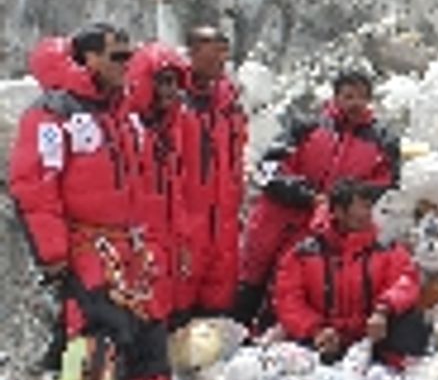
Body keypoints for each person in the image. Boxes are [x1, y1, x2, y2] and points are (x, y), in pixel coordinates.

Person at [9, 24, 170, 380]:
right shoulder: (53, 114)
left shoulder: (124, 113)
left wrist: (154, 242)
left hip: (131, 246)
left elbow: (145, 187)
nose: (127, 64)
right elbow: (35, 186)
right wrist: (53, 254)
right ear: (89, 59)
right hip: (87, 245)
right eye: (118, 56)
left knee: (148, 330)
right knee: (99, 331)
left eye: (129, 55)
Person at [237, 69, 400, 325]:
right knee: (250, 279)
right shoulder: (307, 126)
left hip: (326, 226)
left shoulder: (382, 140)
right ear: (335, 98)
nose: (355, 103)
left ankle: (270, 342)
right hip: (277, 215)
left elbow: (385, 186)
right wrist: (306, 194)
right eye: (348, 96)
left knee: (291, 287)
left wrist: (342, 203)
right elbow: (268, 169)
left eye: (361, 97)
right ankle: (233, 333)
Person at [274, 180, 428, 366]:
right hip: (322, 339)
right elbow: (288, 300)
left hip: (372, 335)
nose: (368, 213)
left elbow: (407, 281)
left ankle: (399, 368)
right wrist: (315, 329)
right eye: (362, 206)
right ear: (339, 211)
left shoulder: (386, 247)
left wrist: (383, 310)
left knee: (412, 321)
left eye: (370, 206)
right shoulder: (303, 254)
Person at [126, 42, 196, 327]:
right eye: (163, 82)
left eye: (175, 83)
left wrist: (183, 240)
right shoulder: (128, 127)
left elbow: (177, 192)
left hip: (167, 238)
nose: (171, 90)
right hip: (138, 239)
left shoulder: (170, 130)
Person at [182, 26, 246, 317]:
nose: (221, 59)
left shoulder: (229, 103)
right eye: (214, 51)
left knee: (216, 311)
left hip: (223, 219)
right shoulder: (173, 100)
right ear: (192, 53)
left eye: (224, 51)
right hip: (185, 221)